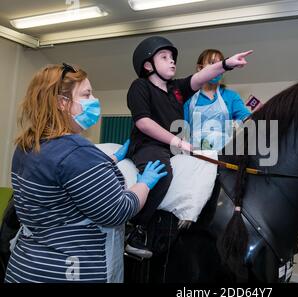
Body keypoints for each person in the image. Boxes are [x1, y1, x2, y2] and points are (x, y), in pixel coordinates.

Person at [4, 63, 167, 283]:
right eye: (87, 94)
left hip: (26, 267)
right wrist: (144, 185)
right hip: (68, 271)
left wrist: (110, 160)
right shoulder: (76, 152)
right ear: (62, 102)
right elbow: (118, 211)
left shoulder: (28, 145)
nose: (94, 100)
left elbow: (60, 182)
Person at [125, 36, 252, 258]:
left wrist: (227, 64)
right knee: (163, 174)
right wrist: (178, 142)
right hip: (152, 146)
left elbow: (201, 77)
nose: (172, 61)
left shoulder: (177, 90)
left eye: (173, 57)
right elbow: (144, 122)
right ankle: (138, 230)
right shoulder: (140, 86)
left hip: (181, 148)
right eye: (164, 57)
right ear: (148, 66)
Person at [184, 49, 251, 150]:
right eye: (212, 63)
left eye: (220, 64)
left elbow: (248, 120)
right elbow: (181, 131)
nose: (217, 68)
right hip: (196, 157)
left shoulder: (231, 97)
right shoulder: (188, 99)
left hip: (224, 158)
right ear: (199, 68)